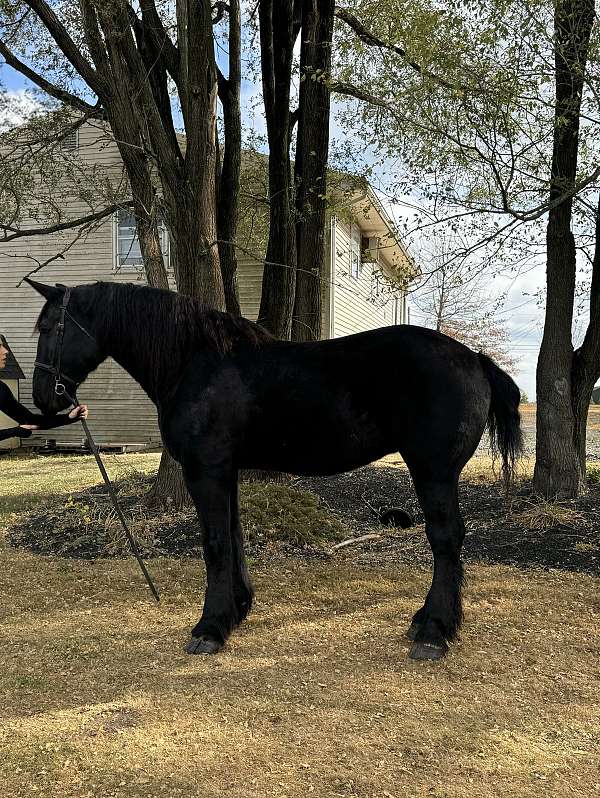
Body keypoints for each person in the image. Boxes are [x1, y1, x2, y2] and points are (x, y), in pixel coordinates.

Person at [0, 336, 88, 443]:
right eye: (0, 346)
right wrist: (13, 432)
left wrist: (69, 417)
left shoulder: (1, 389)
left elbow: (30, 420)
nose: (6, 351)